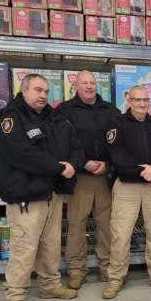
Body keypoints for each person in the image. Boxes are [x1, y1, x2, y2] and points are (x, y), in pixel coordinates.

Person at [0, 74, 84, 301]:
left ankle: (49, 286)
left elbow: (76, 146)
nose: (43, 95)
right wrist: (59, 167)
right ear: (23, 90)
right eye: (37, 90)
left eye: (46, 91)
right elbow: (22, 155)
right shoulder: (12, 118)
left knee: (51, 245)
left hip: (52, 193)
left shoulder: (54, 118)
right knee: (24, 247)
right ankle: (16, 296)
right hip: (26, 195)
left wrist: (73, 165)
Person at [102, 85, 151, 299]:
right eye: (137, 100)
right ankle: (115, 279)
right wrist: (145, 171)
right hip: (127, 187)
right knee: (121, 235)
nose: (142, 104)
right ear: (128, 99)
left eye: (145, 100)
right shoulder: (116, 124)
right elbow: (118, 157)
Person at [56, 70, 120, 289]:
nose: (89, 86)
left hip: (105, 177)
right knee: (76, 224)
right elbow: (60, 144)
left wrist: (108, 165)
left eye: (92, 82)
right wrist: (82, 163)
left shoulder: (111, 110)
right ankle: (76, 270)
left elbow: (120, 143)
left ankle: (108, 267)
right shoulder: (64, 110)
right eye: (84, 83)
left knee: (107, 225)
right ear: (75, 85)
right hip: (79, 177)